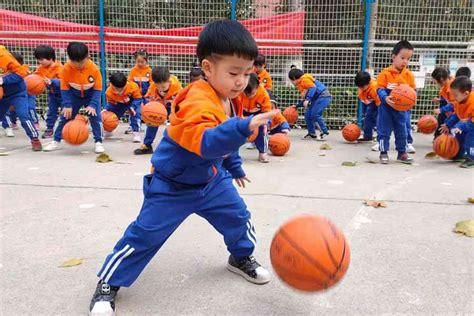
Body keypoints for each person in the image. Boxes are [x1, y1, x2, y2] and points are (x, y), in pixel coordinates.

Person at [89, 20, 277, 315]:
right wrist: (243, 128)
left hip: (212, 181)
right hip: (172, 185)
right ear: (208, 67)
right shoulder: (195, 100)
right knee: (144, 234)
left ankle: (240, 258)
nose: (241, 81)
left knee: (239, 218)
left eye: (246, 73)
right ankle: (108, 282)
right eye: (233, 72)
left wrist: (235, 166)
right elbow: (208, 142)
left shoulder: (230, 98)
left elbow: (225, 143)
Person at [43, 42, 105, 153]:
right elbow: (64, 88)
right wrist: (67, 105)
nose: (78, 65)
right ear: (70, 59)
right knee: (65, 117)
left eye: (81, 62)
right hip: (73, 95)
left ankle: (98, 142)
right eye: (75, 62)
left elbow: (98, 89)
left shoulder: (94, 69)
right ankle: (56, 141)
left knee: (96, 118)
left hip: (90, 96)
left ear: (87, 56)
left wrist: (93, 105)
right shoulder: (66, 69)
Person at [376, 40, 416, 163]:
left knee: (402, 132)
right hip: (386, 108)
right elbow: (379, 89)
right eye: (402, 57)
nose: (405, 61)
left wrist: (412, 97)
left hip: (401, 110)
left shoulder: (409, 75)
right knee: (384, 131)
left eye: (408, 59)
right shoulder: (385, 73)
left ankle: (402, 153)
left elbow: (413, 91)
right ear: (394, 56)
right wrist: (385, 98)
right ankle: (383, 152)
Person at [0, 46, 42, 150]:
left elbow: (21, 73)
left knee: (23, 116)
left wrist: (3, 80)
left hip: (17, 92)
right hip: (2, 95)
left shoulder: (4, 56)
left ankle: (34, 138)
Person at [355, 71, 380, 142]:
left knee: (379, 119)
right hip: (371, 101)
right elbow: (364, 101)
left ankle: (381, 137)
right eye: (360, 86)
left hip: (379, 102)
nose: (361, 88)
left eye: (363, 86)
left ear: (368, 83)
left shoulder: (374, 88)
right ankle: (367, 136)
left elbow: (379, 102)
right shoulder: (361, 87)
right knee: (368, 118)